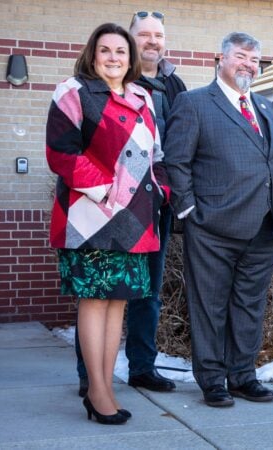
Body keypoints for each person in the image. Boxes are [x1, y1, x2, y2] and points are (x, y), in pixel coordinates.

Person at [46, 22, 167, 425]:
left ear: (130, 58)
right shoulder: (73, 93)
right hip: (88, 219)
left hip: (135, 221)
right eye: (105, 50)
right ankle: (96, 390)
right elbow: (61, 154)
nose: (114, 57)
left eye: (121, 51)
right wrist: (107, 190)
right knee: (95, 301)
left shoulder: (142, 97)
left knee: (117, 304)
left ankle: (107, 386)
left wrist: (160, 190)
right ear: (92, 55)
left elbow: (155, 157)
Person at [163, 32, 273, 408]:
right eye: (241, 57)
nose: (248, 65)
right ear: (220, 59)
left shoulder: (265, 109)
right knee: (210, 305)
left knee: (250, 305)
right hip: (213, 229)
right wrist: (189, 211)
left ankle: (242, 375)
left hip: (265, 225)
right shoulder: (194, 103)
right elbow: (176, 161)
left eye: (254, 60)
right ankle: (212, 379)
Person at [73, 10, 187, 398]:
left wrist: (166, 193)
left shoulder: (174, 85)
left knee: (146, 292)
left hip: (153, 208)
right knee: (98, 292)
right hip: (103, 208)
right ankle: (91, 377)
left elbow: (174, 147)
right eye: (144, 35)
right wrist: (109, 194)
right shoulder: (110, 84)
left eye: (158, 35)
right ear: (129, 41)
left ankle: (141, 367)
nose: (152, 41)